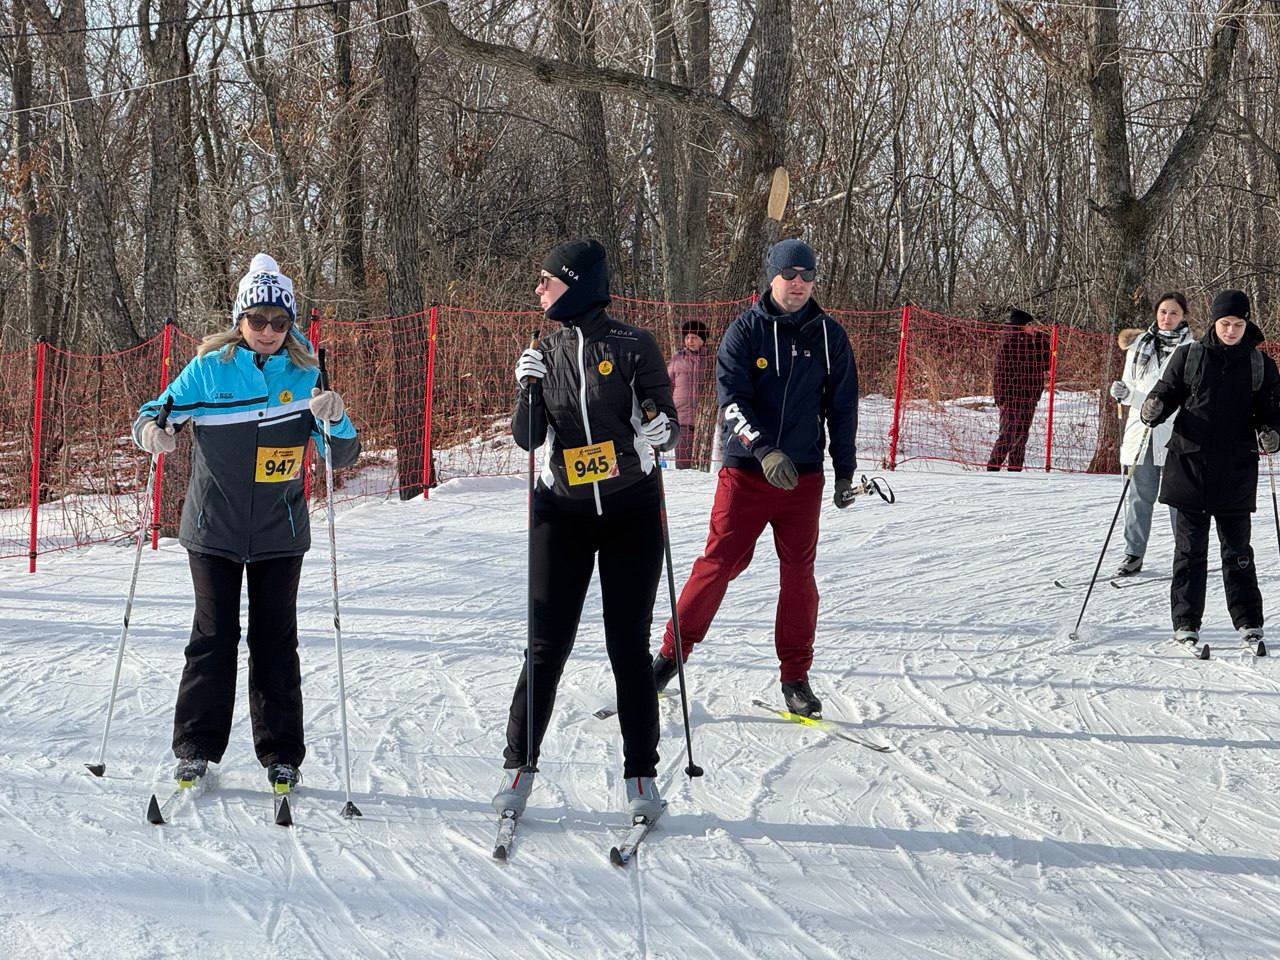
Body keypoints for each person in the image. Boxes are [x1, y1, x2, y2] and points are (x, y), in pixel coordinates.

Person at [132, 254, 360, 788]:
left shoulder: (307, 376)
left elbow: (343, 455)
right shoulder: (210, 368)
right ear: (240, 320)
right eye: (257, 319)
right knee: (213, 637)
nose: (267, 331)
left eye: (279, 322)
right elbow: (154, 412)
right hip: (213, 528)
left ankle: (281, 754)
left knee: (275, 642)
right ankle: (196, 748)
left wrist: (336, 417)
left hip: (281, 532)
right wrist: (153, 433)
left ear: (291, 325)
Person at [492, 239, 678, 822]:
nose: (538, 289)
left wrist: (661, 433)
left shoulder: (633, 344)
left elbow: (666, 420)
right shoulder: (542, 351)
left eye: (547, 280)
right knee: (546, 645)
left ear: (576, 284)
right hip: (563, 512)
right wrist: (525, 390)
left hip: (630, 509)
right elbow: (527, 438)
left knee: (628, 646)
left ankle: (641, 774)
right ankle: (519, 766)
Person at [650, 238, 858, 718]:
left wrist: (844, 471)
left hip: (802, 478)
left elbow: (843, 407)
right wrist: (763, 450)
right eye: (790, 274)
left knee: (799, 574)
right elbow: (732, 402)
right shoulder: (744, 332)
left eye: (807, 275)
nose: (799, 284)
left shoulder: (830, 336)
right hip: (746, 473)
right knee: (719, 563)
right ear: (772, 276)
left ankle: (795, 677)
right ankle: (668, 658)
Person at [1141, 289, 1280, 649]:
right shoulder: (1190, 356)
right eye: (1224, 324)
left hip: (1236, 469)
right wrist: (1153, 408)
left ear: (1246, 324)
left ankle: (1249, 621)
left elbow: (1271, 412)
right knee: (1190, 551)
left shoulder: (1260, 364)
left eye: (1237, 324)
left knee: (1238, 551)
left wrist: (1271, 433)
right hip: (1190, 466)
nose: (1231, 331)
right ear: (1214, 323)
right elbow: (1165, 393)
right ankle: (1186, 622)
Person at [1109, 292, 1195, 576]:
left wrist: (1145, 401)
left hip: (1175, 434)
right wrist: (1122, 392)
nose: (1167, 318)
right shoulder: (1139, 345)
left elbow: (1190, 397)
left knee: (1179, 500)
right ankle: (1133, 553)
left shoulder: (1192, 349)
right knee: (1139, 497)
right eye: (1162, 312)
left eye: (1173, 313)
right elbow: (1128, 386)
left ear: (1183, 317)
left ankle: (1187, 555)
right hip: (1142, 433)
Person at [987, 308, 1051, 471]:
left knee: (1022, 436)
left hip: (1030, 395)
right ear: (1020, 326)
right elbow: (999, 373)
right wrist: (1001, 397)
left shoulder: (1035, 342)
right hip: (1011, 397)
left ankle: (1015, 470)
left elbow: (1047, 364)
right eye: (1030, 324)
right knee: (1007, 435)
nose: (1034, 327)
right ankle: (993, 468)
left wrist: (1042, 340)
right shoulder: (1008, 343)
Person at [667, 319, 712, 469]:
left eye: (694, 337)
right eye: (687, 337)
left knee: (704, 467)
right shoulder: (677, 359)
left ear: (702, 340)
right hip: (682, 420)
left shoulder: (711, 359)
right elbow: (667, 384)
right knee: (683, 466)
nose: (689, 341)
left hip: (706, 422)